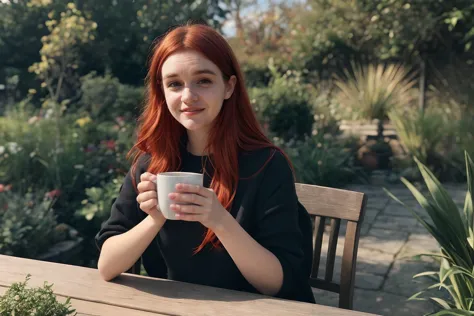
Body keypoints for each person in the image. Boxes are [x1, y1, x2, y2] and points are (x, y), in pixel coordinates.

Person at [95, 22, 315, 304]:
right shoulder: (152, 163)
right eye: (174, 84)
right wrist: (156, 217)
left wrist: (219, 220)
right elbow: (107, 266)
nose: (188, 96)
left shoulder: (267, 165)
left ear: (228, 86)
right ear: (161, 92)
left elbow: (277, 283)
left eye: (204, 80)